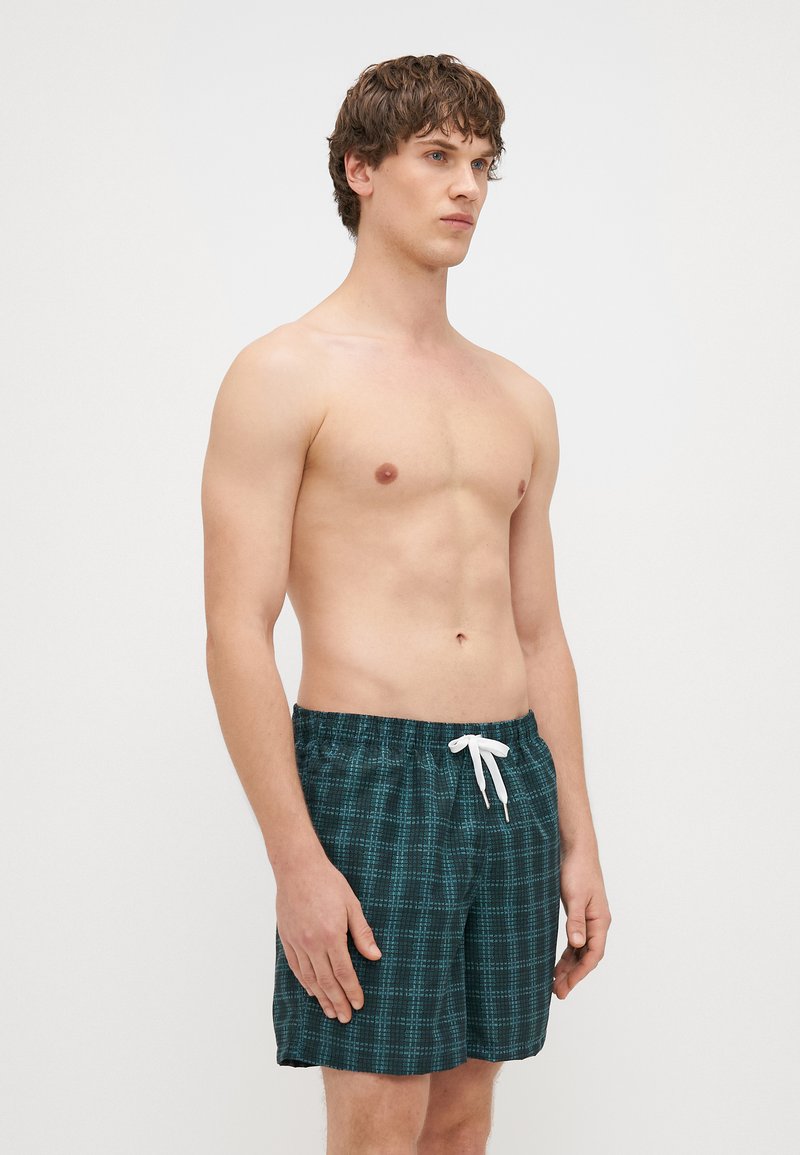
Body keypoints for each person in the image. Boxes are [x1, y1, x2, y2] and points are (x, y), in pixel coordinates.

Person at [201, 52, 611, 1155]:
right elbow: (237, 628)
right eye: (436, 156)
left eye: (481, 163)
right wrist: (296, 859)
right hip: (367, 768)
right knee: (380, 1120)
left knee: (465, 1111)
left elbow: (541, 633)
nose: (466, 186)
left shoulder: (518, 397)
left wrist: (578, 836)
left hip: (511, 774)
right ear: (361, 170)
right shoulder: (284, 373)